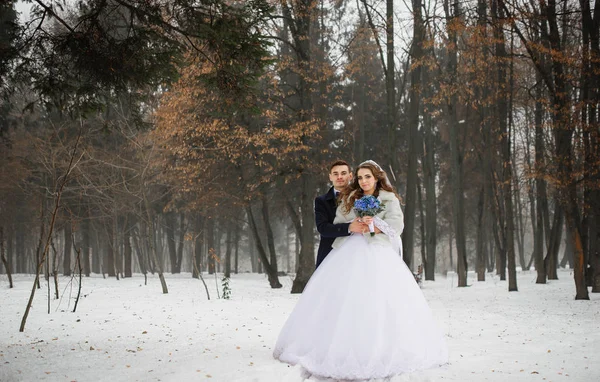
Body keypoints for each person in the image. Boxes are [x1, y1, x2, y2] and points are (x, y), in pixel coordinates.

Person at [273, 160, 448, 380]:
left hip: (378, 251)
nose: (364, 181)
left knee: (380, 299)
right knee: (346, 299)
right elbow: (338, 220)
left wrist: (374, 223)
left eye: (368, 176)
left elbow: (396, 228)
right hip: (349, 251)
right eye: (361, 177)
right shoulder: (351, 197)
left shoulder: (388, 198)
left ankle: (383, 347)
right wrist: (354, 224)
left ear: (376, 178)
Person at [314, 160, 366, 268]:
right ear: (330, 177)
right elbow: (323, 228)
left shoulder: (362, 196)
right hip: (330, 253)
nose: (339, 177)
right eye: (335, 174)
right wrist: (349, 227)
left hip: (358, 253)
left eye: (343, 173)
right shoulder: (321, 201)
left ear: (350, 176)